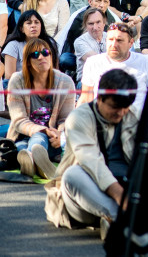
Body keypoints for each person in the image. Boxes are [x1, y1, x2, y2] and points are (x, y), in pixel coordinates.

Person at [46, 70, 140, 232]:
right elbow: (89, 160)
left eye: (125, 107)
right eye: (115, 107)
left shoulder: (133, 114)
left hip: (128, 189)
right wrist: (119, 195)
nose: (121, 112)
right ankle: (129, 219)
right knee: (72, 175)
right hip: (87, 199)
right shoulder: (78, 118)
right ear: (100, 98)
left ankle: (113, 222)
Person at [7, 38, 72, 179]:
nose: (41, 56)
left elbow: (66, 119)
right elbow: (19, 120)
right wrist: (44, 130)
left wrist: (59, 134)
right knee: (23, 146)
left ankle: (31, 161)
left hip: (53, 140)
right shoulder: (17, 80)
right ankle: (35, 161)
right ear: (28, 62)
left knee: (32, 144)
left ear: (51, 55)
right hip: (21, 135)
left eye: (45, 52)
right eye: (35, 54)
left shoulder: (65, 82)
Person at [79, 22, 148, 115]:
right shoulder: (93, 62)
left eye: (119, 40)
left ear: (131, 43)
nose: (114, 44)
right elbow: (85, 98)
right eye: (110, 40)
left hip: (136, 121)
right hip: (101, 120)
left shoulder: (146, 62)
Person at [3, 9, 56, 80]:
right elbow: (9, 76)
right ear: (21, 29)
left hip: (45, 84)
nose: (33, 26)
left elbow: (55, 71)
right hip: (19, 85)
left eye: (36, 22)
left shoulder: (49, 43)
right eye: (29, 23)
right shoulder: (13, 45)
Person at [74, 8, 107, 86]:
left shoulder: (111, 37)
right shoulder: (80, 41)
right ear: (85, 25)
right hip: (87, 82)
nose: (95, 27)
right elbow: (96, 61)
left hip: (109, 80)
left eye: (98, 22)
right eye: (91, 24)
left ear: (104, 23)